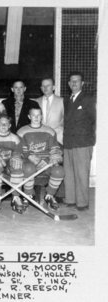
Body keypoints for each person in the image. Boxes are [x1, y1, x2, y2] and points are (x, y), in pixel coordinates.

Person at [17, 108, 65, 210]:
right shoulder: (22, 131)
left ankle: (50, 195)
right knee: (29, 169)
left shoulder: (50, 131)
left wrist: (55, 157)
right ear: (29, 117)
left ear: (42, 116)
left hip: (46, 162)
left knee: (59, 171)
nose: (36, 117)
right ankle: (28, 195)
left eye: (38, 115)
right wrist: (29, 156)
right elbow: (20, 150)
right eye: (33, 115)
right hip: (29, 161)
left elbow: (54, 148)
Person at [63, 72, 96, 211]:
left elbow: (96, 119)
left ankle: (82, 203)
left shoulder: (88, 99)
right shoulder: (67, 100)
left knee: (82, 173)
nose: (74, 83)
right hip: (69, 142)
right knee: (69, 173)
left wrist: (89, 137)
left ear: (82, 83)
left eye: (77, 81)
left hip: (83, 142)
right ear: (69, 84)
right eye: (71, 81)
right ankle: (71, 200)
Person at [0, 114, 25, 213]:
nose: (3, 125)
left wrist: (17, 157)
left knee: (17, 167)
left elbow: (19, 152)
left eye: (6, 123)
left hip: (9, 164)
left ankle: (16, 197)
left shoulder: (15, 138)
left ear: (10, 125)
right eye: (1, 123)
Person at [35, 78, 64, 145]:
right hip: (40, 136)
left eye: (48, 85)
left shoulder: (62, 101)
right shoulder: (36, 101)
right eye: (43, 86)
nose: (45, 88)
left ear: (53, 87)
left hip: (58, 137)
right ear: (41, 88)